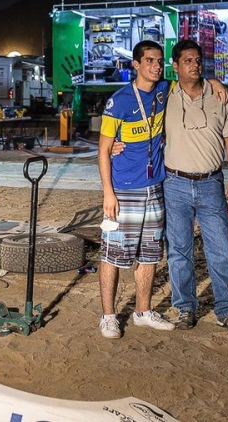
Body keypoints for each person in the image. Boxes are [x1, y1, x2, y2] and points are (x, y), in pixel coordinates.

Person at [163, 39, 228, 333]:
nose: (195, 65)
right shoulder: (165, 95)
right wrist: (115, 144)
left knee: (221, 249)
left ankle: (227, 310)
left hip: (211, 183)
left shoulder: (219, 96)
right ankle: (185, 308)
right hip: (174, 184)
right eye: (187, 60)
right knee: (179, 251)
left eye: (198, 60)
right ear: (175, 66)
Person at [97, 39, 176, 339]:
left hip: (154, 188)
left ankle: (143, 311)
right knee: (113, 254)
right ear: (136, 64)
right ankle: (108, 316)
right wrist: (108, 193)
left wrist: (216, 84)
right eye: (150, 61)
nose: (156, 66)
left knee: (150, 254)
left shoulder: (164, 89)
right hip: (124, 190)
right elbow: (103, 150)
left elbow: (190, 81)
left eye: (159, 61)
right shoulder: (119, 101)